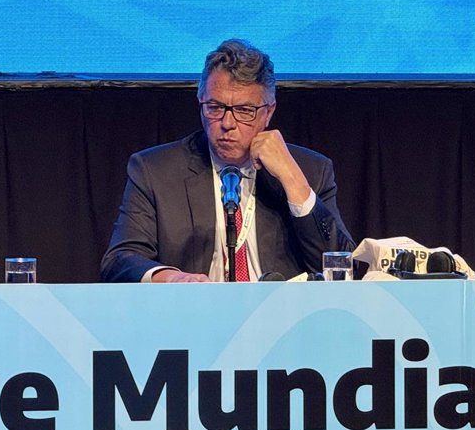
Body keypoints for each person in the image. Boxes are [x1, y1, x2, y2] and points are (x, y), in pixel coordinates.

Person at [101, 39, 354, 282]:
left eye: (244, 110)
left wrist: (292, 180)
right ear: (200, 102)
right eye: (215, 107)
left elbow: (341, 266)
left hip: (282, 308)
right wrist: (172, 278)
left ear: (269, 112)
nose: (227, 123)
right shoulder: (155, 171)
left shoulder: (310, 169)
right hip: (194, 307)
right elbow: (120, 259)